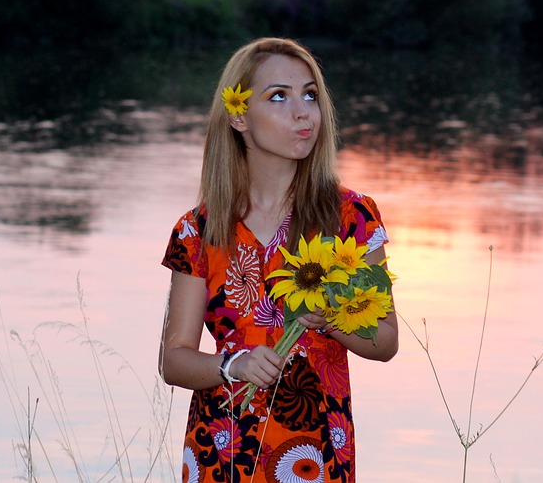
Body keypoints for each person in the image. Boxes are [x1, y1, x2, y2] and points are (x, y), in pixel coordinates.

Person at [160, 37, 398, 483]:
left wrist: (330, 317)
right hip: (222, 449)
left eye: (310, 95)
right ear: (238, 116)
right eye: (279, 97)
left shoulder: (351, 217)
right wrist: (233, 364)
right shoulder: (198, 230)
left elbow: (385, 343)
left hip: (316, 455)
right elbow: (173, 362)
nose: (302, 111)